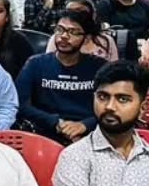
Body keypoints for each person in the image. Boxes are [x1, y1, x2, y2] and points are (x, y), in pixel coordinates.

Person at [16, 10, 104, 143]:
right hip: (45, 132)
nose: (63, 36)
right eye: (60, 29)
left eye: (73, 32)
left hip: (90, 133)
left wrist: (85, 125)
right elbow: (20, 104)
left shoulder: (99, 67)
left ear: (86, 38)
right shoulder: (35, 64)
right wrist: (55, 123)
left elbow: (110, 107)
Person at [45, 0, 117, 61]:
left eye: (80, 12)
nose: (73, 16)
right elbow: (49, 63)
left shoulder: (106, 40)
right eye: (69, 12)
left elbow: (114, 67)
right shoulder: (58, 38)